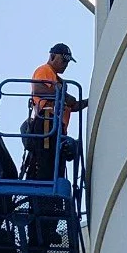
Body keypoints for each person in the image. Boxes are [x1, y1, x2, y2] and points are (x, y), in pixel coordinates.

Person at [23, 43, 82, 181]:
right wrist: (64, 96)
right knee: (45, 164)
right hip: (46, 122)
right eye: (64, 60)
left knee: (56, 166)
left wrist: (90, 101)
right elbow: (38, 90)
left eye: (67, 61)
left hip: (56, 127)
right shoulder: (44, 70)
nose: (66, 64)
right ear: (52, 56)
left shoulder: (57, 79)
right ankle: (43, 192)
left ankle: (50, 195)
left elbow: (73, 105)